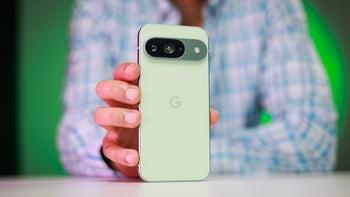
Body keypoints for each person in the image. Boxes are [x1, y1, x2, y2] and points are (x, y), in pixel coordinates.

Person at [57, 0, 337, 178]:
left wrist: (180, 157)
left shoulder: (272, 5)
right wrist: (119, 157)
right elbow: (75, 133)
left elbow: (312, 139)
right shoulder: (103, 6)